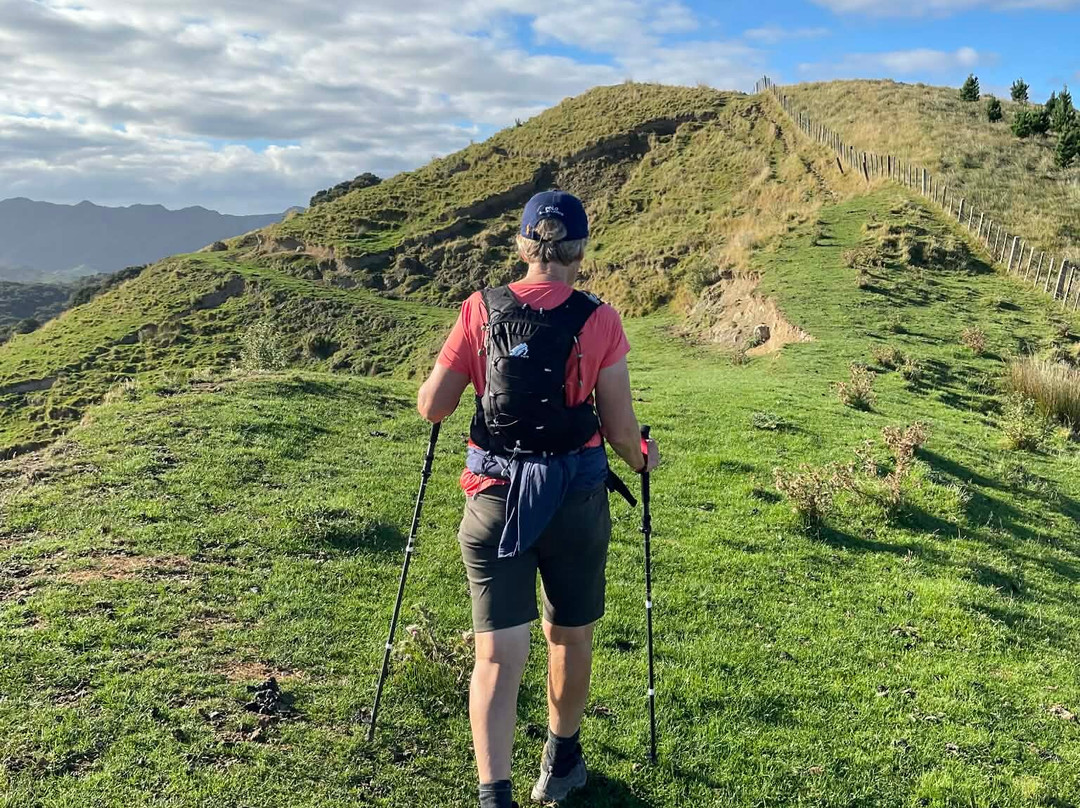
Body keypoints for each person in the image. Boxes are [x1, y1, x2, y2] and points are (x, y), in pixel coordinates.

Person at [417, 190, 660, 808]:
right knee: (568, 635)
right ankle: (560, 763)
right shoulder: (600, 319)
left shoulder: (479, 309)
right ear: (580, 250)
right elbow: (621, 429)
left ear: (524, 245)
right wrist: (642, 457)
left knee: (497, 655)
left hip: (493, 498)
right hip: (574, 498)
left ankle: (493, 795)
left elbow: (434, 406)